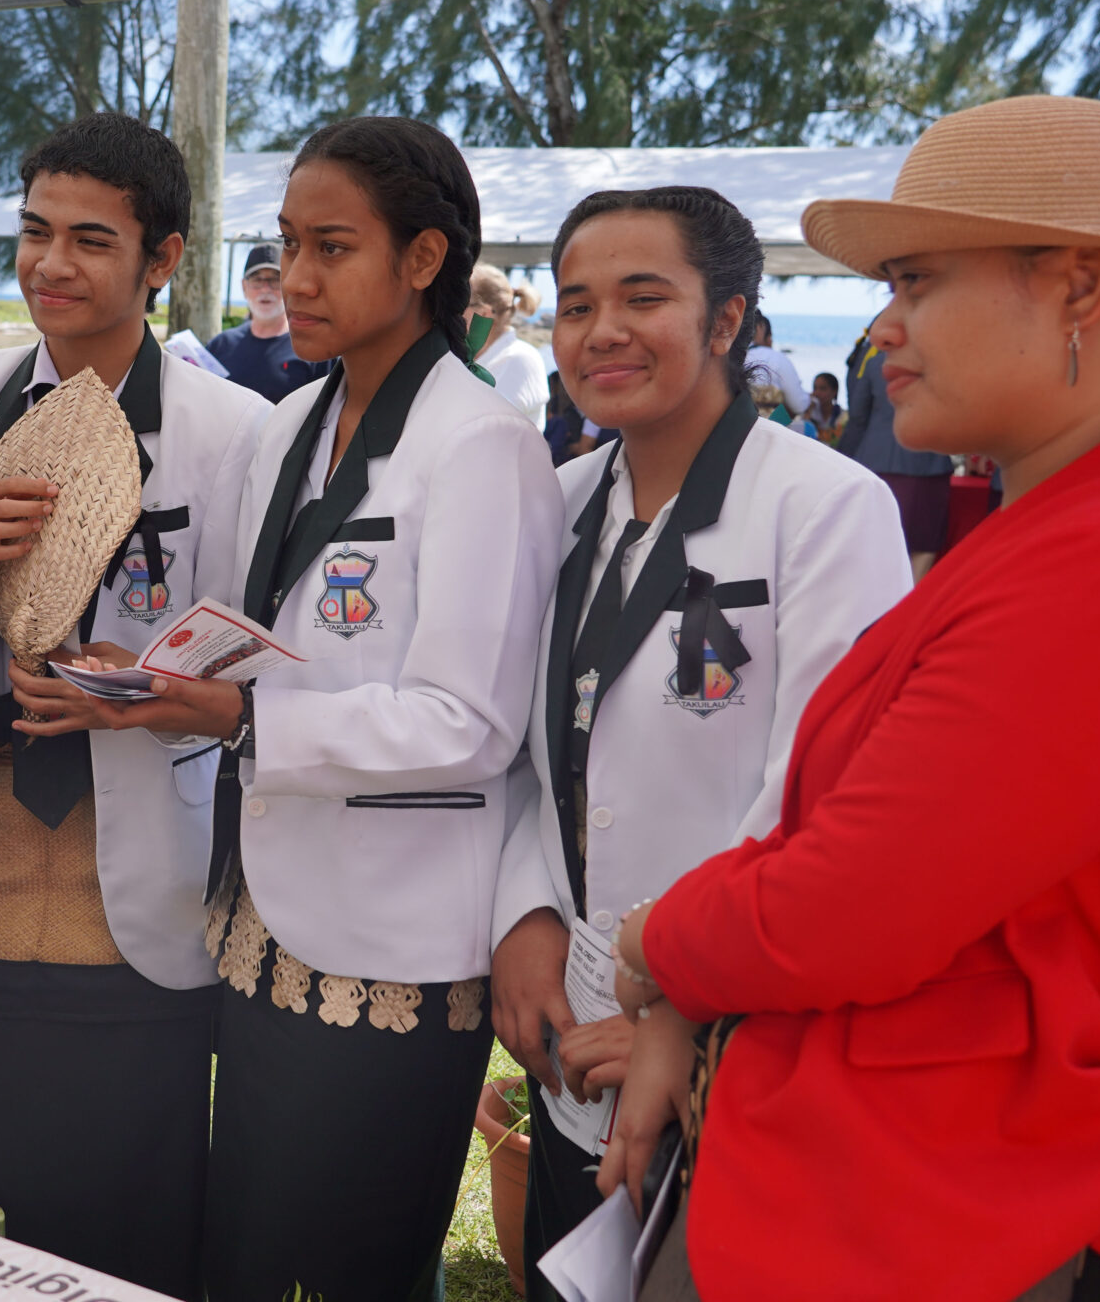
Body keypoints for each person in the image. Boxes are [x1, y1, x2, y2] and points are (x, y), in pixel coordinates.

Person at [605, 95, 1100, 1302]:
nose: (881, 330)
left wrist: (654, 940)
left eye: (917, 280)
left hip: (980, 1197)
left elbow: (848, 904)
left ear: (1081, 286)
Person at [55, 116, 562, 1301]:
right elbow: (254, 630)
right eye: (285, 246)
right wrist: (142, 672)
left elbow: (469, 722)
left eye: (332, 246)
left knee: (359, 1267)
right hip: (257, 916)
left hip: (397, 939)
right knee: (250, 1250)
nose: (296, 277)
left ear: (425, 260)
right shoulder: (286, 422)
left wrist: (238, 725)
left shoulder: (484, 445)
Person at [482, 186, 910, 1297]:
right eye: (575, 305)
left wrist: (684, 1006)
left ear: (726, 322)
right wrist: (523, 920)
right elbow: (534, 753)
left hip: (728, 1028)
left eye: (642, 298)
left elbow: (813, 794)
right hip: (571, 1022)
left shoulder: (825, 506)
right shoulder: (559, 502)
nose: (601, 332)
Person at [0, 113, 269, 1297]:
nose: (51, 266)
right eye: (33, 234)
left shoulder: (237, 435)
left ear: (161, 260)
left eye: (91, 242)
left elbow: (252, 666)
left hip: (141, 908)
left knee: (124, 1231)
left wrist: (150, 684)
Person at [840, 315, 956, 577]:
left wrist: (842, 458)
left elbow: (858, 416)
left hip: (876, 461)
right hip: (930, 464)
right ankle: (911, 607)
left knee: (874, 546)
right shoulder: (944, 359)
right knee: (924, 546)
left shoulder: (873, 361)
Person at [208, 243, 332, 403]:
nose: (265, 289)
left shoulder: (315, 350)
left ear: (289, 286)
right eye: (257, 280)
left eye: (275, 280)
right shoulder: (220, 345)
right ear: (244, 287)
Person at [467, 262, 553, 428]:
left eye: (458, 303)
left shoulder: (519, 360)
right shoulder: (482, 361)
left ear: (483, 313)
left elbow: (488, 431)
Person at [742, 314, 809, 424]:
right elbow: (798, 405)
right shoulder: (778, 359)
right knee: (808, 427)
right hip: (772, 429)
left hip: (739, 427)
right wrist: (811, 401)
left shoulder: (732, 358)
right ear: (768, 337)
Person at [793, 369, 844, 443]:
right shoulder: (807, 411)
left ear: (834, 391)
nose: (817, 393)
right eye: (815, 388)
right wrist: (807, 411)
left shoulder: (842, 417)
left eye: (823, 389)